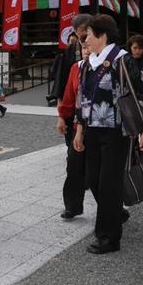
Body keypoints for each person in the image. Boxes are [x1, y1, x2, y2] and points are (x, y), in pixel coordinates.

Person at [73, 14, 136, 254]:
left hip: (115, 131)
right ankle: (115, 213)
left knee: (108, 183)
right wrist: (79, 130)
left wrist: (139, 130)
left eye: (87, 34)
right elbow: (83, 98)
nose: (84, 39)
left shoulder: (123, 60)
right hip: (91, 129)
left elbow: (136, 96)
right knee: (92, 179)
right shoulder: (89, 63)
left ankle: (109, 237)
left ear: (102, 35)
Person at [57, 35, 90, 219]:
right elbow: (69, 95)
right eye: (83, 47)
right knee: (73, 166)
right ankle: (73, 206)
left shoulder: (104, 67)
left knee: (97, 172)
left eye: (88, 46)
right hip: (78, 125)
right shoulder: (75, 68)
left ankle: (116, 209)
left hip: (97, 127)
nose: (86, 50)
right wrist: (62, 117)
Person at [49, 14, 92, 106]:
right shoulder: (69, 51)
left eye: (88, 29)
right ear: (76, 31)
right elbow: (62, 79)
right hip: (75, 92)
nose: (85, 32)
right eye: (82, 29)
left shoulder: (98, 46)